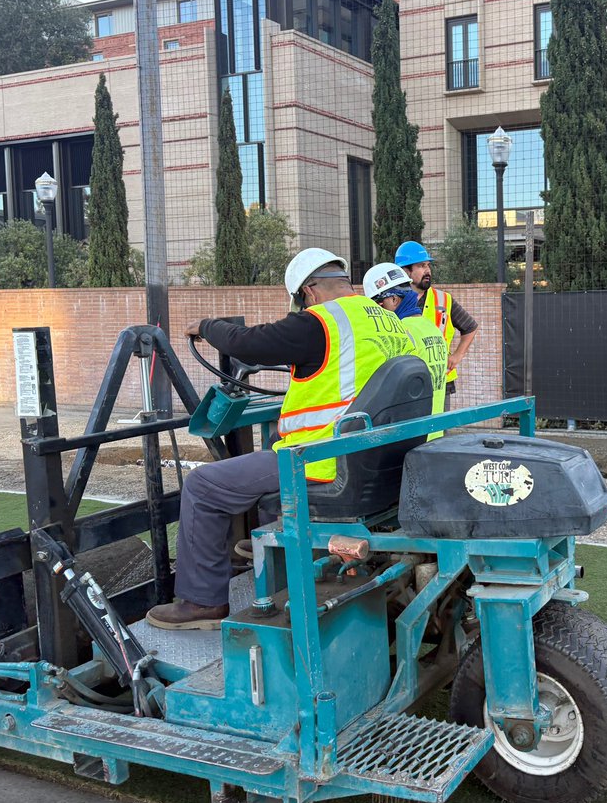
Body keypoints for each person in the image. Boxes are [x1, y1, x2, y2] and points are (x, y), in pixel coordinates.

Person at [146, 248, 415, 630]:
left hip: (321, 461)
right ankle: (277, 550)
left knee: (204, 486)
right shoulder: (386, 321)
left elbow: (248, 341)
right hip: (379, 458)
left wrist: (207, 326)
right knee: (275, 436)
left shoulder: (320, 322)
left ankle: (201, 601)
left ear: (309, 292)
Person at [363, 262, 448, 437]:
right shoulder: (432, 328)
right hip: (434, 432)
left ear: (394, 299)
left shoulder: (400, 332)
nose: (377, 312)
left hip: (410, 437)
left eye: (378, 304)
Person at [394, 241, 479, 410]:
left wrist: (457, 356)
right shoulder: (393, 300)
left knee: (440, 434)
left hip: (441, 380)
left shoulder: (444, 300)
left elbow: (470, 327)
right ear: (405, 271)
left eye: (428, 265)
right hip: (407, 381)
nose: (428, 271)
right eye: (421, 266)